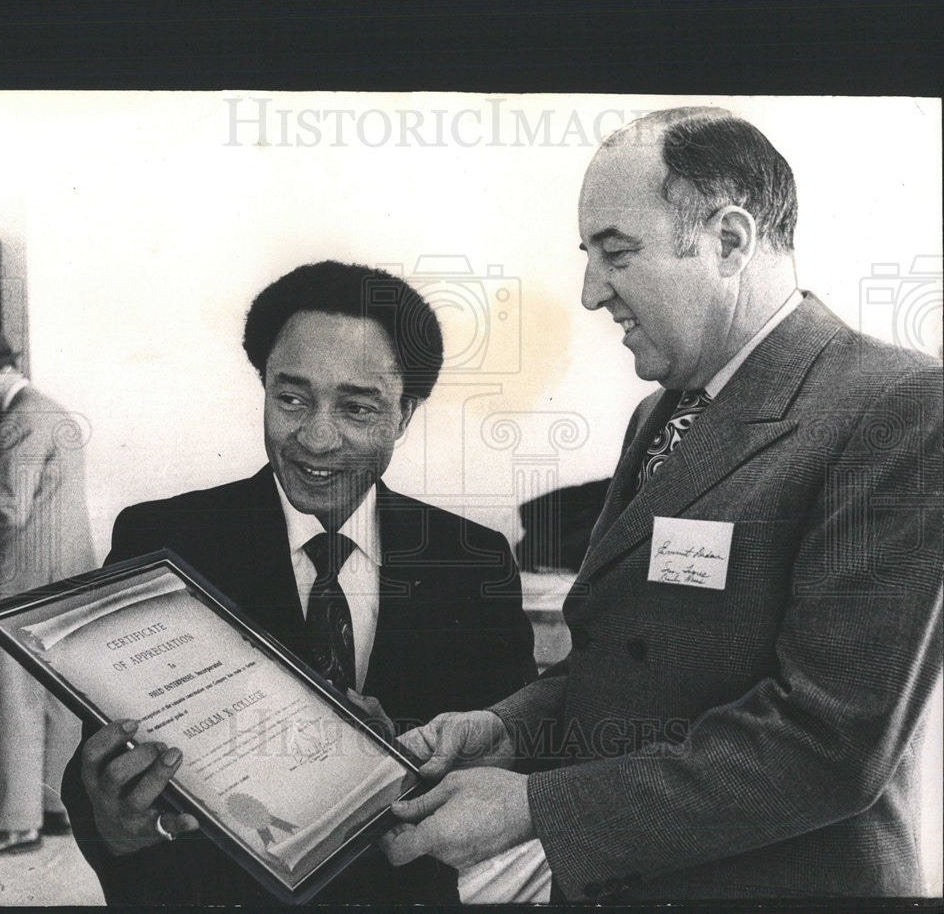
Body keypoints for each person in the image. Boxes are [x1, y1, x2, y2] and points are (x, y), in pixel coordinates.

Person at [381, 108, 944, 901]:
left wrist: (537, 807)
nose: (589, 291)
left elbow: (827, 744)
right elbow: (626, 658)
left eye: (616, 253)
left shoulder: (898, 406)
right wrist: (508, 729)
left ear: (730, 240)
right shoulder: (662, 413)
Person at [60, 261, 537, 905]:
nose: (316, 437)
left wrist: (391, 764)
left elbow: (508, 748)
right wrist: (114, 827)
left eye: (357, 407)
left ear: (404, 415)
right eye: (290, 399)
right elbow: (103, 755)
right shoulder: (163, 541)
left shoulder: (472, 559)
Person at [0, 335, 95, 860]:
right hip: (63, 579)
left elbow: (5, 512)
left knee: (12, 704)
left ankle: (13, 824)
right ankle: (56, 809)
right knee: (54, 703)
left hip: (19, 583)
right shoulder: (51, 412)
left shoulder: (20, 420)